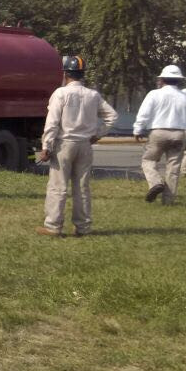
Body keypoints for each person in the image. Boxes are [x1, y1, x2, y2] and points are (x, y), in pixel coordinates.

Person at [36, 56, 118, 237]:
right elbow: (112, 116)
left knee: (58, 186)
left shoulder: (60, 93)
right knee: (82, 187)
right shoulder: (93, 95)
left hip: (64, 144)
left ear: (65, 74)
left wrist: (46, 147)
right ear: (82, 75)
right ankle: (83, 227)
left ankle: (53, 226)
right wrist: (97, 134)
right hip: (85, 145)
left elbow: (52, 123)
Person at [133, 64, 186, 204]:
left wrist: (138, 129)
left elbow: (144, 113)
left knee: (149, 161)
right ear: (179, 80)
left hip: (158, 132)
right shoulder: (185, 97)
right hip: (179, 134)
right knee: (173, 167)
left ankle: (155, 182)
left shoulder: (154, 94)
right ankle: (168, 200)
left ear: (162, 79)